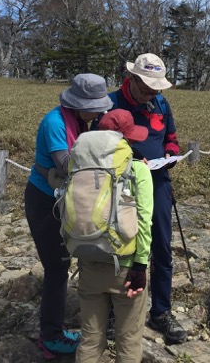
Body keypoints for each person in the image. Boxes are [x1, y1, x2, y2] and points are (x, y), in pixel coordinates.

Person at [25, 73, 113, 357]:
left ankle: (55, 329)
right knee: (57, 268)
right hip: (44, 200)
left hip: (66, 199)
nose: (100, 112)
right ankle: (50, 336)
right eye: (96, 108)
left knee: (64, 264)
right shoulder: (54, 122)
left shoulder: (79, 121)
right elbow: (64, 163)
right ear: (78, 104)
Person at [107, 53, 187, 344]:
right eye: (147, 88)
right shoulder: (111, 103)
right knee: (121, 245)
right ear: (132, 79)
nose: (152, 93)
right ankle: (117, 311)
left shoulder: (162, 103)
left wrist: (170, 154)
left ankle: (161, 312)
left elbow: (171, 137)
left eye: (157, 88)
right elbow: (98, 144)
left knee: (163, 248)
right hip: (121, 185)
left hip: (159, 183)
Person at [75, 109, 153, 363]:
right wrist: (141, 264)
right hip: (127, 267)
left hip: (88, 258)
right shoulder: (138, 171)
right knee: (128, 339)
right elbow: (144, 220)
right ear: (124, 140)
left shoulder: (79, 169)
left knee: (90, 338)